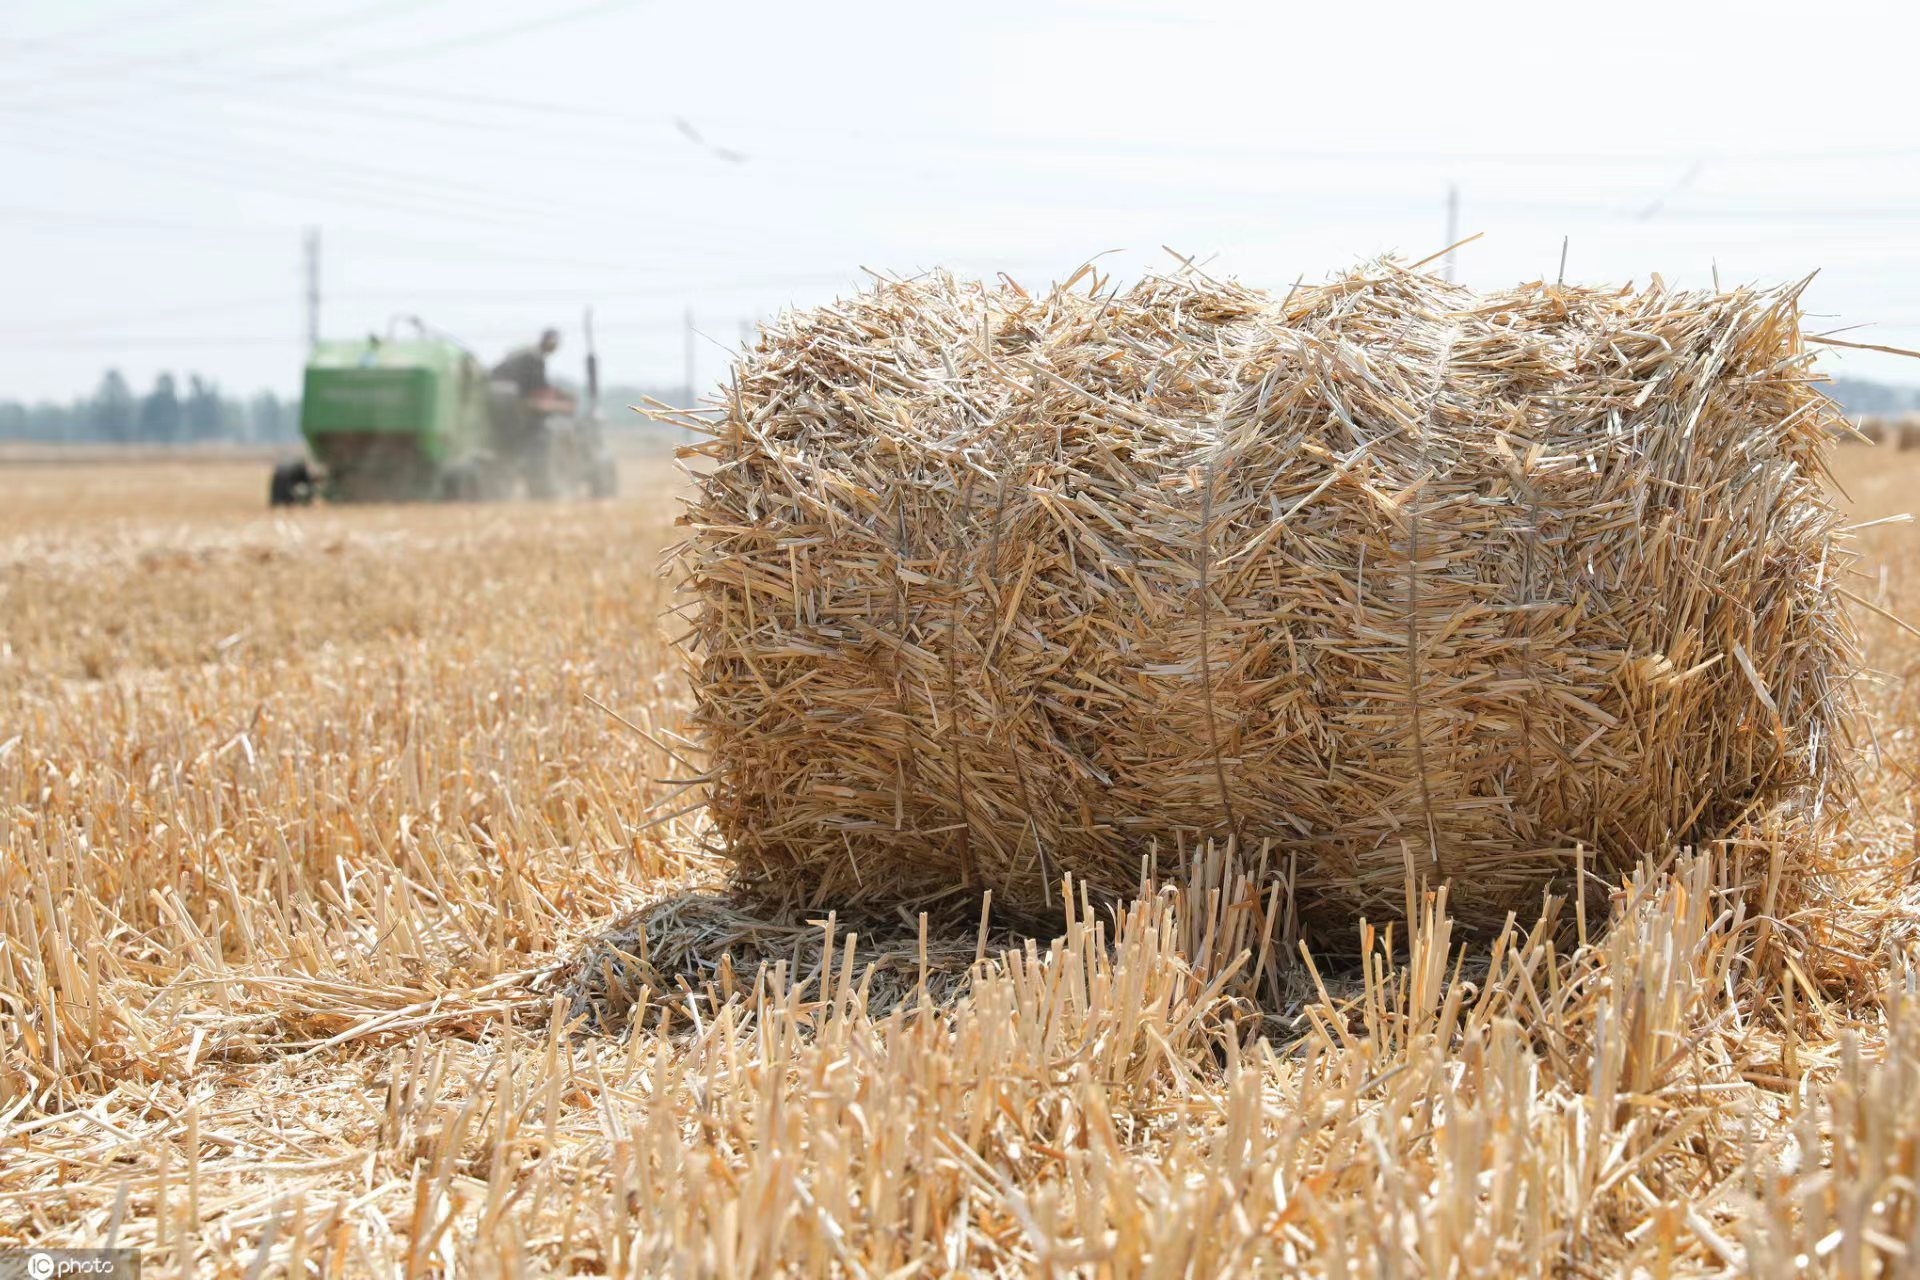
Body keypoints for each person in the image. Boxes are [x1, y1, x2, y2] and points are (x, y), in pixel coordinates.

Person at [491, 328, 560, 398]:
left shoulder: (531, 351)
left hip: (499, 382)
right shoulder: (535, 356)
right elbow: (538, 383)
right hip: (502, 383)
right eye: (553, 342)